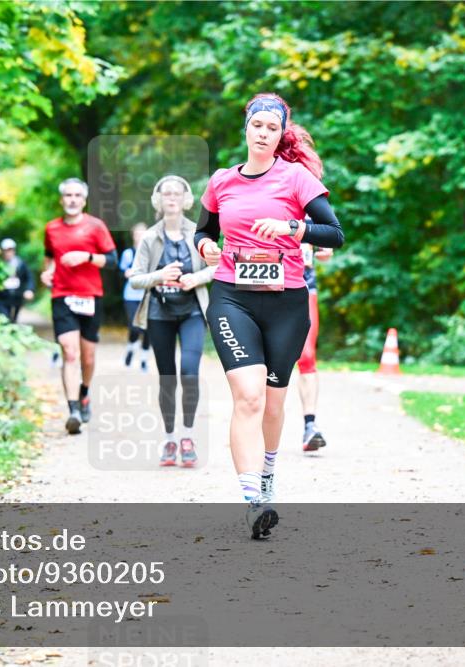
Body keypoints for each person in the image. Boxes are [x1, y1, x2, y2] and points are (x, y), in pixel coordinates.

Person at [194, 93, 344, 538]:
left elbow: (335, 233)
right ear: (246, 128)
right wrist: (205, 246)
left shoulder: (296, 178)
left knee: (274, 404)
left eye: (272, 128)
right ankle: (252, 501)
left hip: (286, 302)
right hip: (232, 297)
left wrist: (291, 228)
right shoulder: (221, 181)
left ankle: (267, 479)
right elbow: (203, 229)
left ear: (281, 135)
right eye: (257, 125)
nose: (263, 133)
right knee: (249, 397)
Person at [128, 176, 216, 468]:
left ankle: (187, 437)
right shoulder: (150, 237)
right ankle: (169, 438)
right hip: (159, 314)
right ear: (159, 199)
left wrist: (196, 278)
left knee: (189, 373)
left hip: (192, 311)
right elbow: (135, 277)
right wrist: (159, 276)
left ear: (186, 198)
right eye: (166, 193)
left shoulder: (199, 234)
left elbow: (218, 267)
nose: (172, 197)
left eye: (177, 193)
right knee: (167, 378)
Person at [41, 177, 117, 435]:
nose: (72, 200)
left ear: (84, 200)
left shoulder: (96, 227)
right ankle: (73, 409)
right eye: (68, 195)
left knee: (87, 357)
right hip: (61, 295)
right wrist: (47, 273)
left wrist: (85, 256)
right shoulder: (51, 228)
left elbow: (112, 260)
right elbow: (49, 257)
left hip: (90, 296)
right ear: (62, 200)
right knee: (69, 352)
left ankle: (84, 392)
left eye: (77, 196)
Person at [297, 241, 334, 451]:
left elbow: (326, 250)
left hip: (305, 290)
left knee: (307, 357)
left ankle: (310, 426)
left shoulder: (314, 211)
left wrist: (325, 250)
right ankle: (257, 425)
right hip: (268, 290)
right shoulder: (265, 208)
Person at [120, 223, 151, 372]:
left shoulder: (152, 253)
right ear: (133, 235)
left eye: (143, 233)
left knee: (147, 329)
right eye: (137, 233)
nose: (140, 236)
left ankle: (144, 359)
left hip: (148, 295)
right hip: (131, 295)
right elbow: (122, 272)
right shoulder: (128, 253)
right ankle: (131, 349)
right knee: (134, 327)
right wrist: (127, 272)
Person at [0, 238, 34, 323]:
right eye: (6, 250)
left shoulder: (20, 264)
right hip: (2, 297)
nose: (8, 253)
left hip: (17, 297)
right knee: (4, 318)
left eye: (10, 250)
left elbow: (29, 277)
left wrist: (29, 290)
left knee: (13, 319)